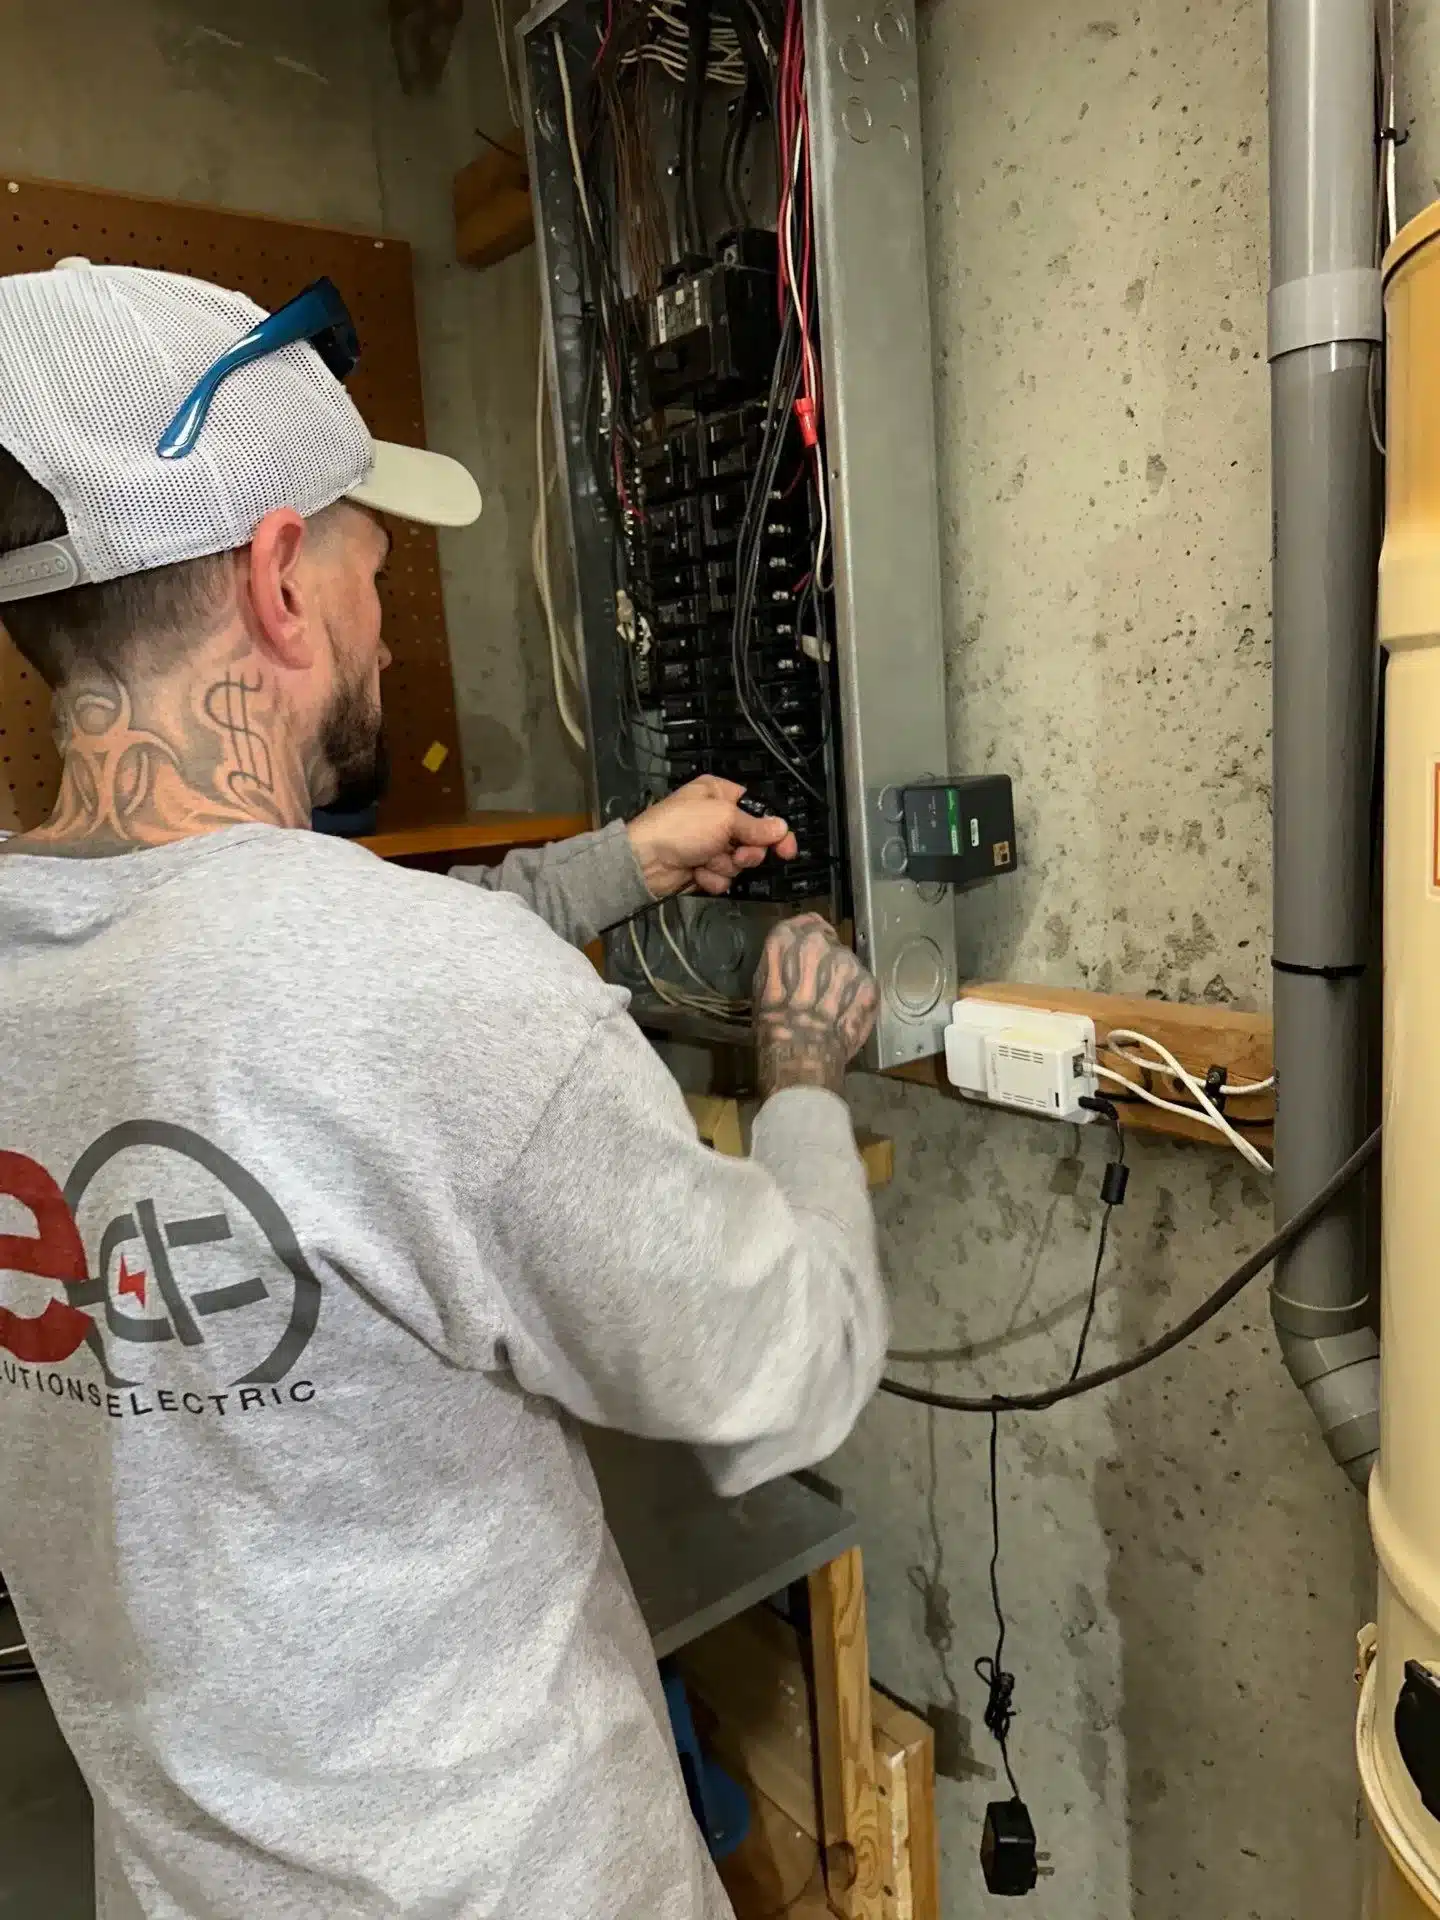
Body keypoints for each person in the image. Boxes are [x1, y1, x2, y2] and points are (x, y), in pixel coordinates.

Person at [0, 259, 886, 1920]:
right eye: (368, 569)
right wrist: (802, 1077)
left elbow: (283, 984)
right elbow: (788, 1373)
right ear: (277, 580)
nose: (384, 620)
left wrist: (617, 865)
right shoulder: (426, 996)